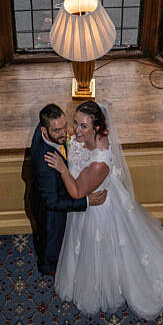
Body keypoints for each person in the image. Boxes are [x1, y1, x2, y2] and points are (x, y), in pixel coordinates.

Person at [44, 100, 163, 318]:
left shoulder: (100, 164)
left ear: (96, 128)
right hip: (98, 197)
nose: (75, 131)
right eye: (76, 123)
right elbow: (77, 146)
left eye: (83, 126)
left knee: (104, 250)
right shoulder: (89, 135)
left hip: (97, 211)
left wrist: (62, 169)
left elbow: (78, 192)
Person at [30, 103, 107, 275]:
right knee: (50, 239)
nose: (64, 133)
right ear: (44, 130)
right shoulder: (45, 166)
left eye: (65, 126)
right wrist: (86, 201)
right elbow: (53, 202)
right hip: (50, 209)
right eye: (57, 130)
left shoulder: (49, 127)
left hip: (53, 191)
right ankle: (48, 268)